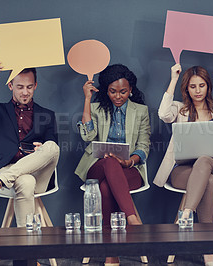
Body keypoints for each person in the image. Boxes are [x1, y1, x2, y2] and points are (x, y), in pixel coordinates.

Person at [153, 63, 213, 266]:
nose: (197, 91)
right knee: (210, 181)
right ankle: (209, 255)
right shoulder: (180, 110)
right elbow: (163, 114)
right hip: (183, 171)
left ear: (208, 87)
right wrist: (173, 79)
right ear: (186, 89)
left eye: (202, 85)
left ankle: (187, 213)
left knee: (205, 161)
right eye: (192, 86)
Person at [75, 64, 150, 266]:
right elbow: (87, 136)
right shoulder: (97, 108)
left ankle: (111, 255)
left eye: (123, 91)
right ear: (106, 90)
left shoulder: (141, 111)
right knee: (108, 161)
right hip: (97, 167)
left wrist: (128, 161)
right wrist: (87, 99)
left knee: (106, 188)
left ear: (131, 90)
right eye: (113, 91)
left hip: (128, 169)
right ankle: (132, 220)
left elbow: (144, 145)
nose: (118, 96)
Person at [0, 62, 60, 228]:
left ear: (36, 86)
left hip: (38, 173)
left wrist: (41, 149)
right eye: (20, 87)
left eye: (29, 87)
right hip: (10, 168)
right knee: (25, 183)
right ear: (10, 85)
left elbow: (52, 148)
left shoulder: (47, 115)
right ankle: (28, 251)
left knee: (52, 147)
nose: (25, 92)